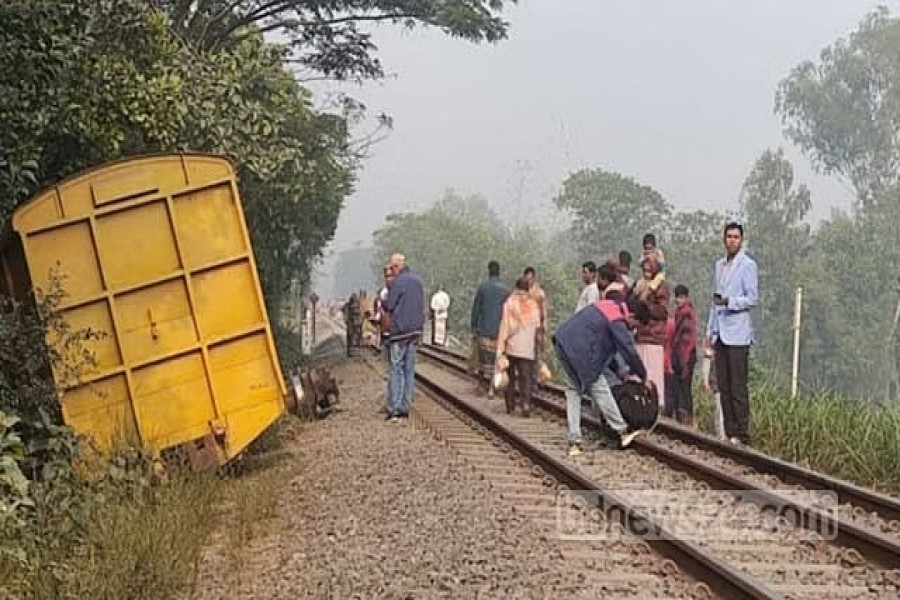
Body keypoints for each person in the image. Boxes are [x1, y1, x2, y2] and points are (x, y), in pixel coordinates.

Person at [554, 294, 652, 456]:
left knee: (573, 391)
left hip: (564, 342)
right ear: (633, 316)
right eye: (636, 325)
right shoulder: (618, 319)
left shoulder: (609, 306)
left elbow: (605, 346)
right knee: (600, 388)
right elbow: (628, 350)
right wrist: (644, 376)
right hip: (581, 350)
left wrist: (618, 371)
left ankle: (574, 441)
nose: (633, 330)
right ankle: (622, 431)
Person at [706, 222, 758, 445]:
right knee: (724, 385)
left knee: (738, 385)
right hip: (721, 332)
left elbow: (752, 298)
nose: (732, 241)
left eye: (736, 237)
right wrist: (710, 330)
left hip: (738, 333)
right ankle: (730, 431)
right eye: (729, 237)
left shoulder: (747, 265)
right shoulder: (720, 266)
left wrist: (731, 302)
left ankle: (742, 430)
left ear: (741, 240)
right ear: (724, 239)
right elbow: (714, 300)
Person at [384, 253, 425, 422]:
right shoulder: (417, 281)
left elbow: (390, 305)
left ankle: (394, 407)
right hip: (415, 331)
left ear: (396, 267)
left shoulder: (398, 282)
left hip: (400, 332)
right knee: (409, 370)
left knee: (396, 368)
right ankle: (406, 406)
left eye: (392, 268)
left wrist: (383, 301)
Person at [496, 277, 540, 416]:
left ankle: (510, 406)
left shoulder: (509, 303)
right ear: (527, 288)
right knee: (525, 377)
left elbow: (504, 325)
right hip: (527, 347)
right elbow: (537, 327)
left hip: (512, 346)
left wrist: (501, 347)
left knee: (510, 377)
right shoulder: (533, 305)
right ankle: (525, 404)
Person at [633, 256, 670, 409]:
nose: (646, 270)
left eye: (650, 267)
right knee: (640, 372)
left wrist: (645, 307)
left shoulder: (661, 286)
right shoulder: (640, 286)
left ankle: (655, 403)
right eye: (644, 267)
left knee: (653, 373)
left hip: (654, 336)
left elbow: (662, 311)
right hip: (641, 334)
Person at [470, 260, 509, 397]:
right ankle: (493, 387)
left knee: (482, 359)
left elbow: (476, 309)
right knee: (496, 360)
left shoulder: (483, 287)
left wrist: (474, 326)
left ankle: (481, 385)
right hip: (499, 330)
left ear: (489, 271)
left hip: (484, 328)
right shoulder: (505, 290)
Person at [672, 284, 699, 427]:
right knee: (682, 387)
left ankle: (687, 419)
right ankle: (685, 419)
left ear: (686, 297)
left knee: (684, 387)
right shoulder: (684, 311)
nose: (678, 300)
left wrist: (684, 359)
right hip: (681, 354)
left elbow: (688, 339)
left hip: (685, 354)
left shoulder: (685, 313)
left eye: (681, 297)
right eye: (677, 297)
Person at [701, 340, 726, 440]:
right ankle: (721, 436)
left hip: (719, 383)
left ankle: (721, 435)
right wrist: (706, 380)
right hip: (719, 383)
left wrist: (705, 380)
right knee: (720, 411)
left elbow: (706, 361)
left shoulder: (713, 340)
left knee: (719, 411)